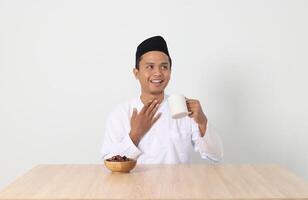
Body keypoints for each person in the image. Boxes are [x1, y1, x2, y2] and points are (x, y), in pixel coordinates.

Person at [101, 36, 223, 164]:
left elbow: (215, 156)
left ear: (170, 71)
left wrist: (202, 122)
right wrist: (135, 134)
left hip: (178, 183)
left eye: (164, 67)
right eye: (150, 67)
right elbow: (109, 164)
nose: (158, 73)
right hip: (135, 184)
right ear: (136, 73)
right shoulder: (120, 114)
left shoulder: (184, 109)